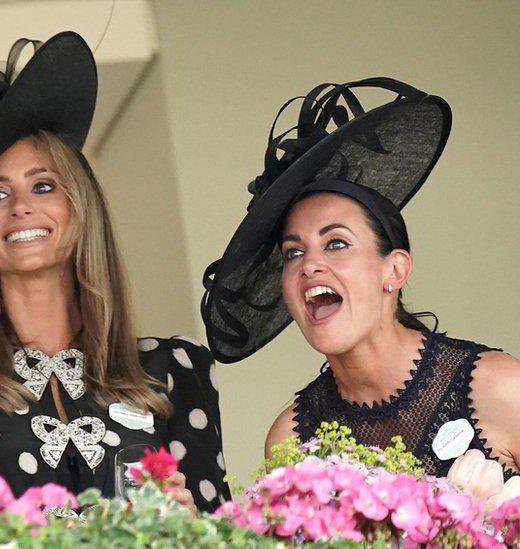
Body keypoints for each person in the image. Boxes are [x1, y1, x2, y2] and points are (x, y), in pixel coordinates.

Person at [0, 32, 228, 511]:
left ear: (81, 207)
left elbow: (225, 534)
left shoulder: (176, 370)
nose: (20, 207)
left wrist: (190, 528)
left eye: (43, 186)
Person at [201, 77, 519, 481]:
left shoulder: (501, 389)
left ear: (395, 269)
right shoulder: (291, 444)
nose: (309, 265)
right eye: (293, 253)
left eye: (335, 243)